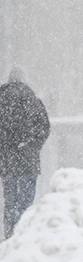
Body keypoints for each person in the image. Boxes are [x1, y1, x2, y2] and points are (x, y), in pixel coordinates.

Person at [0, 66, 51, 238]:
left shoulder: (1, 99)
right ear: (24, 79)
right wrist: (32, 146)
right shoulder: (33, 100)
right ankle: (23, 236)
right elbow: (45, 128)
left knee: (10, 200)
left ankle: (9, 235)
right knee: (26, 201)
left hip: (6, 160)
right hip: (28, 161)